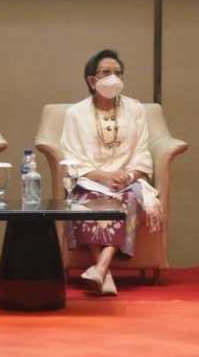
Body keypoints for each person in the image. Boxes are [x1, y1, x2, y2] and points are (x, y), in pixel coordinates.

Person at [60, 49, 163, 296]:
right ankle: (102, 271)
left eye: (118, 72)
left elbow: (142, 153)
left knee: (126, 200)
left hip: (127, 181)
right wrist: (104, 177)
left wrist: (127, 176)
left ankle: (100, 268)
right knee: (84, 203)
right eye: (106, 72)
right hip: (90, 180)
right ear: (91, 80)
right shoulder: (75, 113)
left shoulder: (136, 109)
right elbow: (72, 159)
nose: (113, 78)